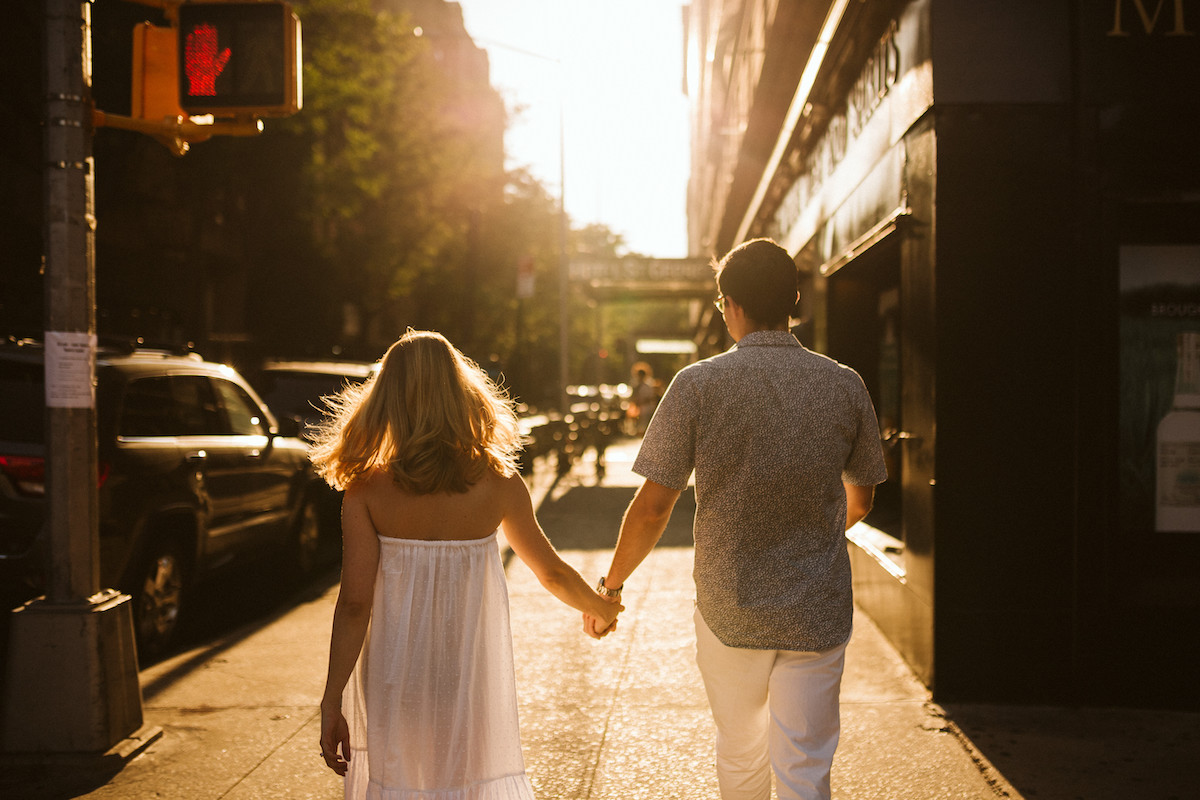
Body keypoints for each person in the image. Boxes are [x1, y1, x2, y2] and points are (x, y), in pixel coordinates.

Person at [585, 239, 888, 800]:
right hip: (815, 611)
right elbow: (862, 499)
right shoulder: (845, 384)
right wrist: (811, 530)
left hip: (730, 607)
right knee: (805, 765)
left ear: (731, 305)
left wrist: (610, 588)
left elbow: (654, 506)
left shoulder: (697, 385)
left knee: (741, 751)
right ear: (794, 300)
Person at [311, 329, 623, 799]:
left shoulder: (366, 490)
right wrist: (602, 607)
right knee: (462, 785)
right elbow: (551, 572)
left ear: (387, 398)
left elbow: (355, 604)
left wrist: (332, 698)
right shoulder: (498, 482)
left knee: (403, 783)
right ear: (461, 395)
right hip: (468, 673)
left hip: (396, 675)